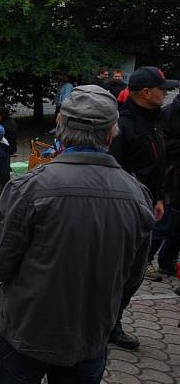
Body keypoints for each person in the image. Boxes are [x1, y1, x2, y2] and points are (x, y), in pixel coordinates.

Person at [0, 85, 154, 383]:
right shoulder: (138, 196)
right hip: (90, 333)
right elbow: (133, 276)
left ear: (59, 128)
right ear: (112, 133)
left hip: (27, 330)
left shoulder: (30, 188)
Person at [109, 66, 176, 350]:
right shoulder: (124, 126)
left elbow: (156, 163)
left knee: (134, 273)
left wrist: (159, 196)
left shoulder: (156, 122)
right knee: (118, 270)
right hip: (125, 208)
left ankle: (113, 319)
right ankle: (106, 322)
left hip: (148, 204)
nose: (167, 92)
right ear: (146, 92)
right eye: (162, 88)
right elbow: (113, 170)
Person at [158, 89, 180, 277]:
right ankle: (149, 257)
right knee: (166, 220)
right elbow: (162, 143)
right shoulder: (168, 113)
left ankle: (167, 259)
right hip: (170, 173)